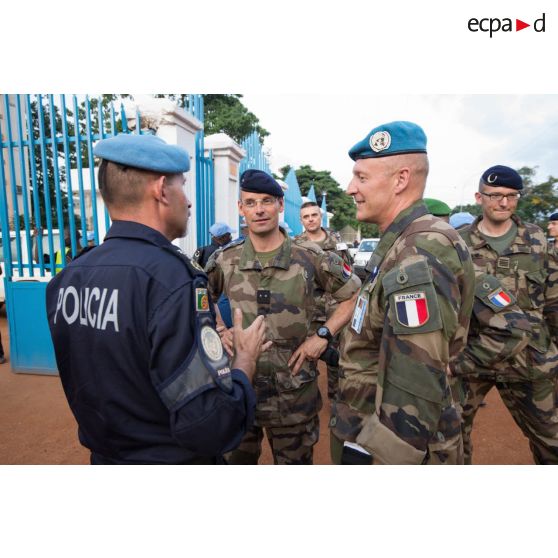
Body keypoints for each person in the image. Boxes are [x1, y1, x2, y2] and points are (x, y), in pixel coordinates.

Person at [46, 133, 269, 465]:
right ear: (161, 189)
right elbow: (209, 425)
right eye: (182, 185)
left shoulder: (68, 278)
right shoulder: (172, 280)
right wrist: (245, 361)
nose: (189, 201)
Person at [331, 120, 475, 465]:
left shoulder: (420, 249)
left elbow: (416, 377)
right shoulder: (402, 241)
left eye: (361, 177)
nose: (351, 188)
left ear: (401, 180)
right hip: (369, 423)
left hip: (397, 445)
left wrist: (389, 458)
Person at [206, 169, 361, 465]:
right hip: (240, 388)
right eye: (250, 203)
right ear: (241, 209)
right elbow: (200, 296)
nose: (259, 209)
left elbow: (353, 295)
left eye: (266, 201)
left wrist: (323, 335)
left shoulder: (310, 256)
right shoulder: (226, 258)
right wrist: (219, 328)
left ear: (279, 204)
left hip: (293, 396)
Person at [456, 165, 558, 464]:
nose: (504, 203)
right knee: (448, 438)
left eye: (512, 196)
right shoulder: (458, 242)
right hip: (471, 357)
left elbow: (553, 299)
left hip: (529, 359)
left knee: (550, 439)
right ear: (479, 197)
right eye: (496, 195)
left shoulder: (537, 240)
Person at [296, 200, 353, 400]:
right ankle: (306, 398)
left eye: (314, 215)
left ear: (320, 217)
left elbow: (348, 272)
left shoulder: (337, 241)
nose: (311, 219)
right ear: (301, 220)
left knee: (336, 357)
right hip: (310, 310)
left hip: (337, 310)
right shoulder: (297, 245)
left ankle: (336, 399)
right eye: (306, 216)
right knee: (307, 355)